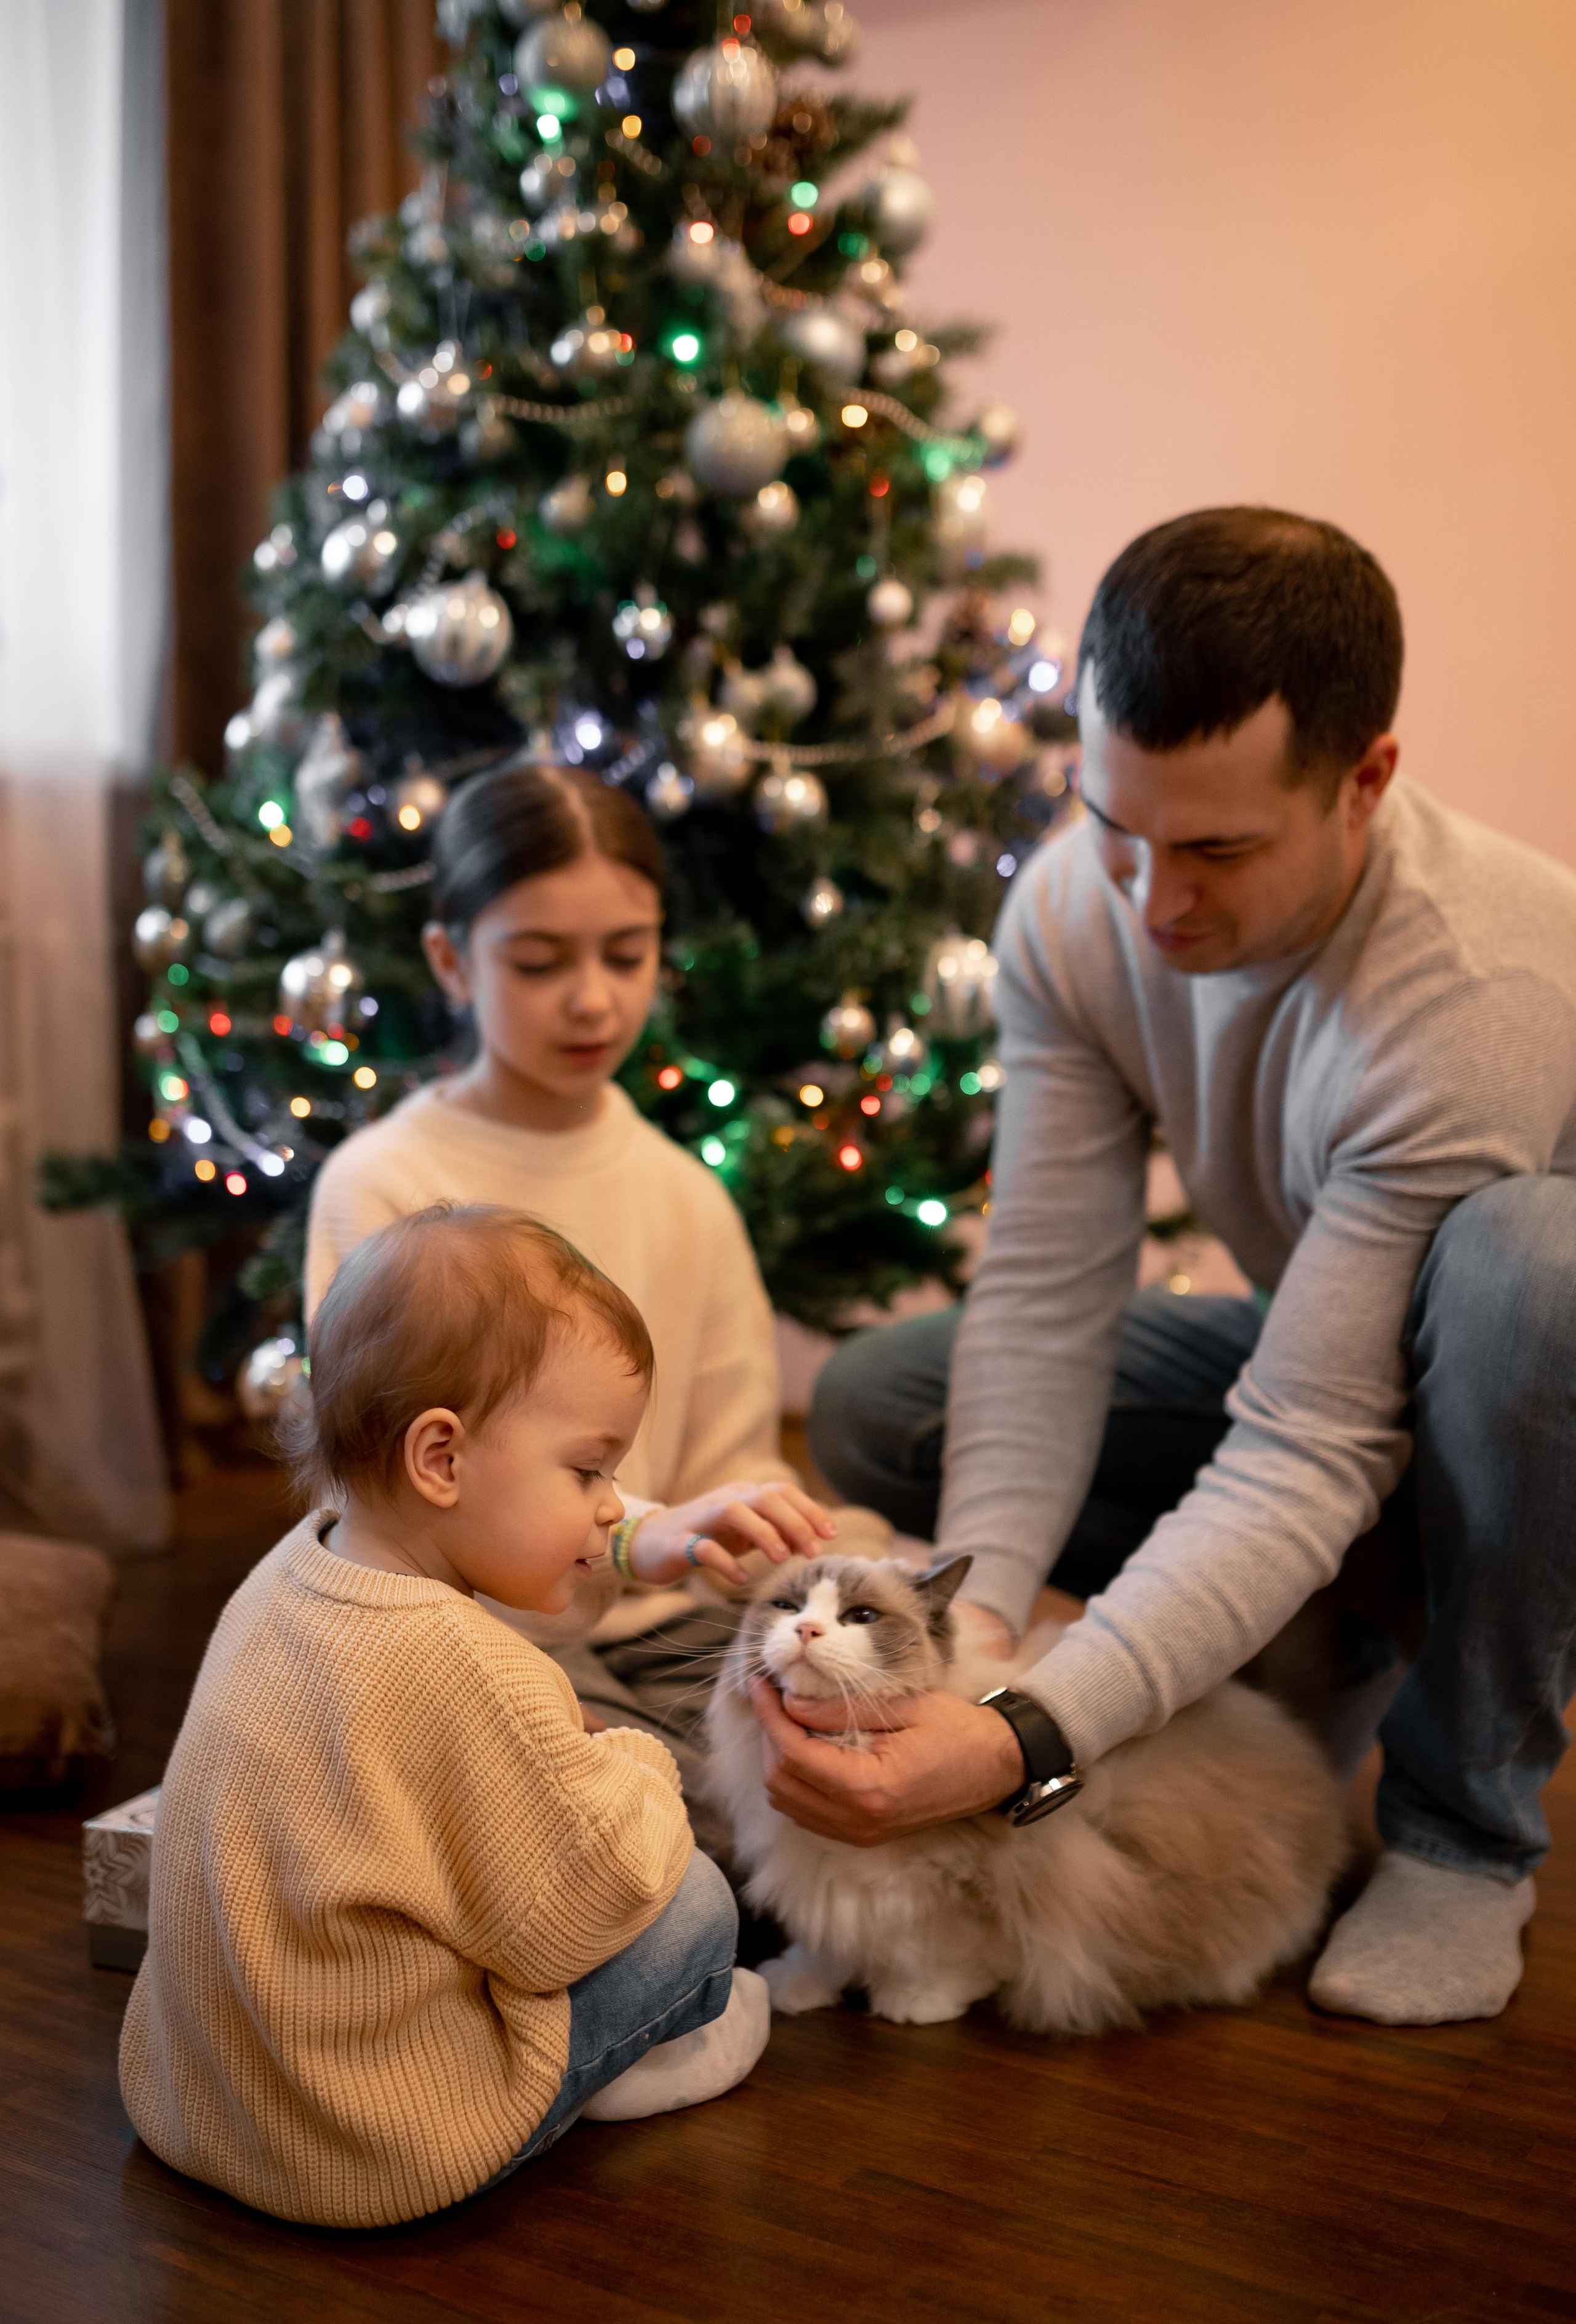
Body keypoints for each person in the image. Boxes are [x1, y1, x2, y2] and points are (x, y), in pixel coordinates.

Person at [765, 506, 1576, 2030]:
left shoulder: (1474, 990)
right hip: (1345, 1352)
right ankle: (1321, 1643)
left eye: (1213, 849)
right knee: (890, 1400)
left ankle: (1461, 1829)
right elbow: (1043, 1302)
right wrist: (979, 1644)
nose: (1150, 902)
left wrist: (1023, 1744)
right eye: (1112, 825)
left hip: (1537, 1408)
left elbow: (1307, 1441)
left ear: (1364, 783)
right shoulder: (1077, 914)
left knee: (1528, 1272)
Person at [119, 1204, 824, 2227]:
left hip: (209, 2102)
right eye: (590, 1470)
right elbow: (588, 1904)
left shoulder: (287, 1573)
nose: (606, 1506)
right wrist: (630, 1759)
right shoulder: (465, 1665)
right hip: (366, 2144)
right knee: (697, 1906)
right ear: (441, 1459)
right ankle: (616, 2078)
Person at [304, 763, 842, 1797]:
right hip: (454, 1648)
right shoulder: (382, 1185)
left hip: (672, 1638)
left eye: (628, 955)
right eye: (541, 961)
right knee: (633, 1834)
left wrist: (773, 1540)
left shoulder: (687, 1196)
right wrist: (638, 1536)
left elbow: (733, 1466)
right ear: (451, 962)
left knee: (824, 1799)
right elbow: (379, 1505)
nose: (594, 999)